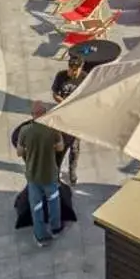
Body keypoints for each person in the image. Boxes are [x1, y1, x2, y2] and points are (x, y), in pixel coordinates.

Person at [18, 102, 68, 244]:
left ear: (33, 115)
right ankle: (55, 228)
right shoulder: (52, 129)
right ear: (45, 114)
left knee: (36, 206)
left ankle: (40, 237)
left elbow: (19, 152)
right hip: (50, 173)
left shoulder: (25, 131)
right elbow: (60, 147)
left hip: (33, 175)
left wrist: (31, 150)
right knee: (53, 202)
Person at [51, 54, 88, 184]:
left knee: (74, 147)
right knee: (60, 146)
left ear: (80, 68)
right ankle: (56, 172)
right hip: (62, 115)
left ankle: (72, 171)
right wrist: (64, 102)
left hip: (77, 117)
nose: (72, 72)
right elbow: (55, 94)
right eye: (71, 68)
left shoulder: (84, 78)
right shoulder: (61, 76)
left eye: (75, 70)